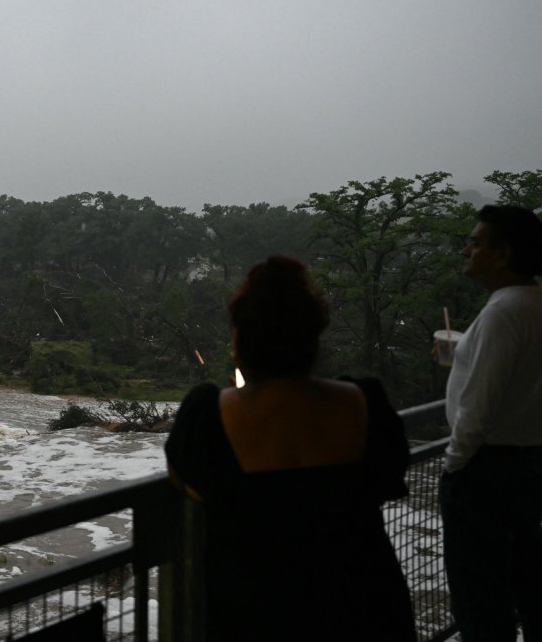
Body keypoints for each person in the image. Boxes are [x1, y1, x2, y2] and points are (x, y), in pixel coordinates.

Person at [164, 256, 417, 641]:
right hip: (365, 608)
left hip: (256, 615)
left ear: (239, 339)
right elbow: (389, 476)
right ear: (313, 338)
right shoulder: (365, 403)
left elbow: (190, 483)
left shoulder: (209, 416)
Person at [439, 205, 542, 641]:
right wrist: (466, 350)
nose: (466, 249)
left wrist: (453, 465)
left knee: (481, 602)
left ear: (503, 254)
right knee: (532, 587)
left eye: (476, 242)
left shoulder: (503, 313)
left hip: (485, 475)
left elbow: (479, 409)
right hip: (528, 463)